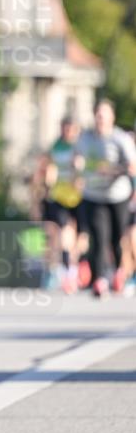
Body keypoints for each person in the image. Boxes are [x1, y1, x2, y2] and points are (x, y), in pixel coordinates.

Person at [75, 99, 136, 297]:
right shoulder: (86, 138)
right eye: (98, 115)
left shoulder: (120, 139)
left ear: (112, 117)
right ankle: (99, 279)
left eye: (104, 115)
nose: (100, 119)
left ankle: (119, 272)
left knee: (117, 237)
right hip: (94, 195)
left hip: (118, 194)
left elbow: (131, 166)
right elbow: (77, 156)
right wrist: (78, 167)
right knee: (99, 237)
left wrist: (112, 171)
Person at [37, 116, 88, 293]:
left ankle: (74, 266)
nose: (67, 133)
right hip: (60, 196)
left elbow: (86, 168)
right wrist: (46, 182)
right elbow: (47, 167)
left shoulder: (82, 146)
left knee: (80, 237)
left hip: (80, 197)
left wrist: (80, 172)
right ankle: (67, 271)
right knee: (63, 232)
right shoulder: (56, 147)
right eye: (65, 129)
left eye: (71, 129)